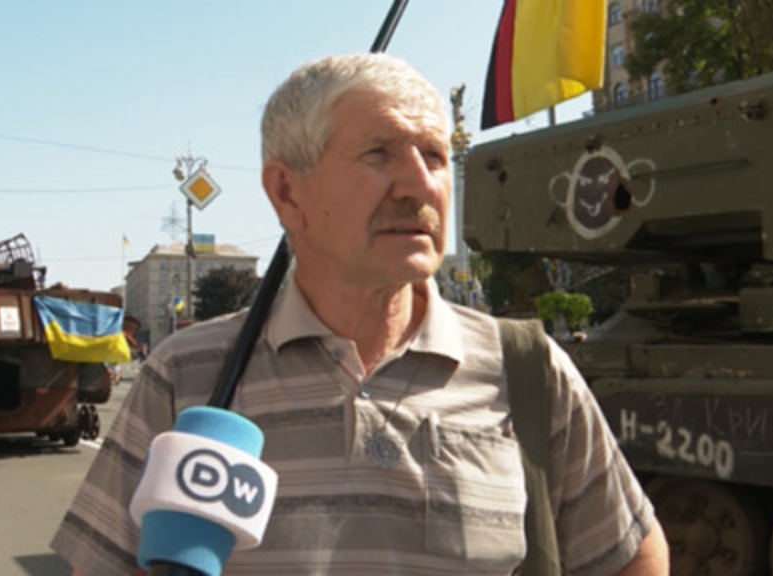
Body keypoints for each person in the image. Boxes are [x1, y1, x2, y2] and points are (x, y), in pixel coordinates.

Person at [52, 53, 669, 575]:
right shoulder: (187, 378)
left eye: (432, 155)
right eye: (378, 153)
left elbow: (631, 554)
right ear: (288, 193)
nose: (417, 184)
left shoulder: (528, 370)